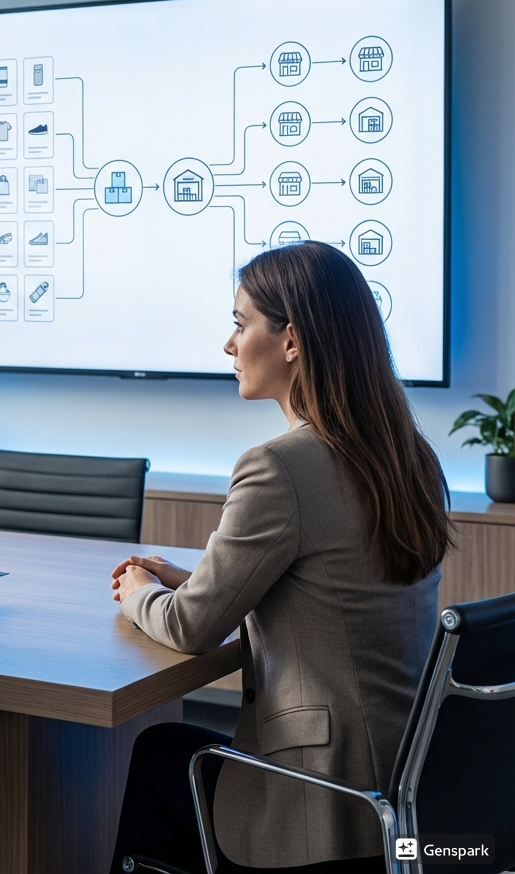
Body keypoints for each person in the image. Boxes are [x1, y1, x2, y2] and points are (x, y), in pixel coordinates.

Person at [109, 242, 452, 873]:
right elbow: (335, 590)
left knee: (157, 754)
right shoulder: (410, 456)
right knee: (166, 752)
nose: (229, 344)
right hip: (412, 786)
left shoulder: (280, 466)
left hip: (324, 798)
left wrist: (137, 593)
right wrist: (196, 581)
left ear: (291, 339)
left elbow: (190, 628)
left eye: (241, 324)